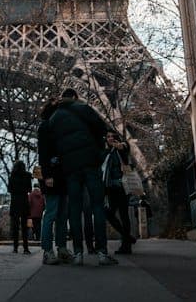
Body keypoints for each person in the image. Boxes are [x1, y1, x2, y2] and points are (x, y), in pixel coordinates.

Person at [46, 88, 116, 266]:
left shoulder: (53, 119)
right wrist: (97, 151)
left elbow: (52, 146)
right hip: (90, 164)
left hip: (70, 168)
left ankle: (78, 253)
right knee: (97, 206)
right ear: (75, 97)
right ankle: (102, 252)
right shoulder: (83, 108)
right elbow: (102, 129)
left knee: (74, 210)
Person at [36, 101, 70, 265]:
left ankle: (62, 248)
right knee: (51, 213)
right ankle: (47, 250)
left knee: (62, 215)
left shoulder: (59, 128)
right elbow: (42, 154)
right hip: (52, 176)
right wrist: (47, 175)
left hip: (63, 176)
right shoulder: (45, 127)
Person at [102, 133, 135, 255]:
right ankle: (127, 237)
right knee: (108, 213)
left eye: (112, 136)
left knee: (124, 214)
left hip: (123, 187)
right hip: (111, 189)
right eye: (108, 136)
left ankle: (126, 246)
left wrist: (117, 144)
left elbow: (124, 146)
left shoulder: (121, 148)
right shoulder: (107, 153)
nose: (110, 138)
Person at [8, 159, 31, 254]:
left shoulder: (12, 176)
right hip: (24, 202)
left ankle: (15, 248)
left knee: (15, 226)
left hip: (15, 202)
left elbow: (9, 189)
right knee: (24, 227)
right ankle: (26, 248)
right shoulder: (28, 176)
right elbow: (29, 189)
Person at [26, 179, 45, 248]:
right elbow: (44, 204)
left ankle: (33, 237)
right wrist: (42, 210)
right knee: (39, 225)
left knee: (33, 225)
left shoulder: (31, 194)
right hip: (39, 213)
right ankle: (38, 237)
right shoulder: (42, 194)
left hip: (32, 213)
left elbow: (29, 203)